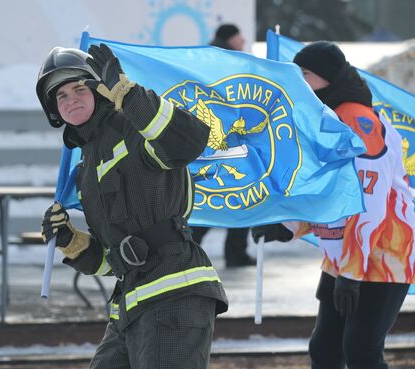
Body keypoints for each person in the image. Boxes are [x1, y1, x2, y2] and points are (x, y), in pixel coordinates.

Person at [36, 44, 228, 369]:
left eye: (80, 88)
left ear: (100, 90)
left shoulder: (131, 128)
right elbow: (114, 261)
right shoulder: (87, 166)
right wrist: (74, 244)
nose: (72, 100)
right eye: (62, 96)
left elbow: (188, 142)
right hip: (131, 304)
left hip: (174, 294)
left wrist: (130, 95)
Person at [253, 41, 415, 369]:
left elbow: (368, 200)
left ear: (328, 77)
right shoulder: (322, 119)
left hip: (382, 254)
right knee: (325, 349)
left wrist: (352, 272)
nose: (298, 81)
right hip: (345, 257)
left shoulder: (357, 121)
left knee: (361, 352)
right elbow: (326, 193)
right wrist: (286, 226)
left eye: (305, 74)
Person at [193, 23, 253, 267]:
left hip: (213, 139)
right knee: (238, 197)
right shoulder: (227, 61)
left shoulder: (207, 58)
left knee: (214, 196)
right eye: (240, 38)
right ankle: (235, 252)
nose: (243, 42)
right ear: (230, 38)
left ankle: (190, 248)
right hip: (225, 140)